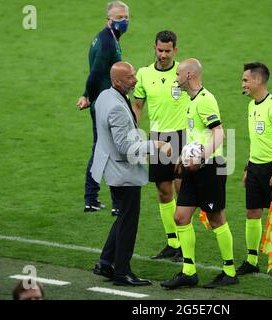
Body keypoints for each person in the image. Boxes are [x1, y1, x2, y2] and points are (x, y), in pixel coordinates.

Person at [91, 62, 172, 286]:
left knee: (123, 217)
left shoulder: (105, 96)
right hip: (122, 172)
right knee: (129, 222)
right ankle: (122, 273)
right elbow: (124, 147)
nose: (135, 80)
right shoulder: (116, 106)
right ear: (117, 81)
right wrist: (154, 145)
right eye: (130, 77)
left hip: (111, 166)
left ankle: (106, 262)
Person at [160, 59, 239, 289]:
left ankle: (229, 271)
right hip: (192, 169)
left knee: (216, 219)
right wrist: (183, 158)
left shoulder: (205, 101)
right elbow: (196, 135)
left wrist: (201, 156)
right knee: (180, 217)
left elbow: (219, 133)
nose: (175, 78)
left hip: (210, 168)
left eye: (178, 74)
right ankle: (189, 271)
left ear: (189, 76)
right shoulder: (190, 101)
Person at [133, 31, 190, 262]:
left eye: (168, 50)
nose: (163, 54)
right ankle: (172, 243)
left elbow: (197, 102)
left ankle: (185, 247)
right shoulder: (144, 74)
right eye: (160, 50)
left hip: (182, 137)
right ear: (154, 48)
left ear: (175, 50)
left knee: (182, 192)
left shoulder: (184, 73)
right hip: (158, 139)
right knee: (163, 192)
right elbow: (137, 106)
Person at [236, 62, 272, 277]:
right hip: (255, 168)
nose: (243, 84)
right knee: (252, 213)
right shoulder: (251, 106)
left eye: (245, 80)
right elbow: (256, 141)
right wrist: (247, 168)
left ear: (258, 80)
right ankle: (252, 260)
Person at [76, 1, 130, 214]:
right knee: (115, 151)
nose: (123, 21)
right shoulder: (108, 43)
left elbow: (96, 73)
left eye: (126, 17)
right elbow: (96, 73)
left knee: (101, 149)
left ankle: (91, 198)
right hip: (106, 105)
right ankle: (117, 204)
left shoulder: (105, 37)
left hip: (103, 102)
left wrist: (88, 95)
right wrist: (88, 95)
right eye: (118, 18)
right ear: (108, 19)